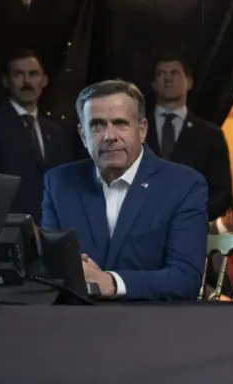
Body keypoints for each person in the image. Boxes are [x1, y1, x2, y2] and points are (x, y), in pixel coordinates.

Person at [41, 80, 208, 301]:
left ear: (142, 130)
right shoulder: (59, 182)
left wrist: (112, 282)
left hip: (151, 319)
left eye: (121, 124)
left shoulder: (184, 185)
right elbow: (47, 270)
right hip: (75, 317)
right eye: (97, 125)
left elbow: (185, 279)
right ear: (82, 135)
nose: (110, 136)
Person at [0, 51, 73, 222]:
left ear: (44, 80)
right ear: (6, 81)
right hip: (8, 228)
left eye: (33, 74)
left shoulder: (56, 132)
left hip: (53, 229)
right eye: (19, 75)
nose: (27, 82)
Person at [146, 58, 232, 221]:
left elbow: (222, 193)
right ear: (154, 84)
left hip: (190, 229)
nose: (168, 78)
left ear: (189, 82)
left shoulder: (210, 135)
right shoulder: (134, 130)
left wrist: (191, 216)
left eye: (174, 73)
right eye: (161, 74)